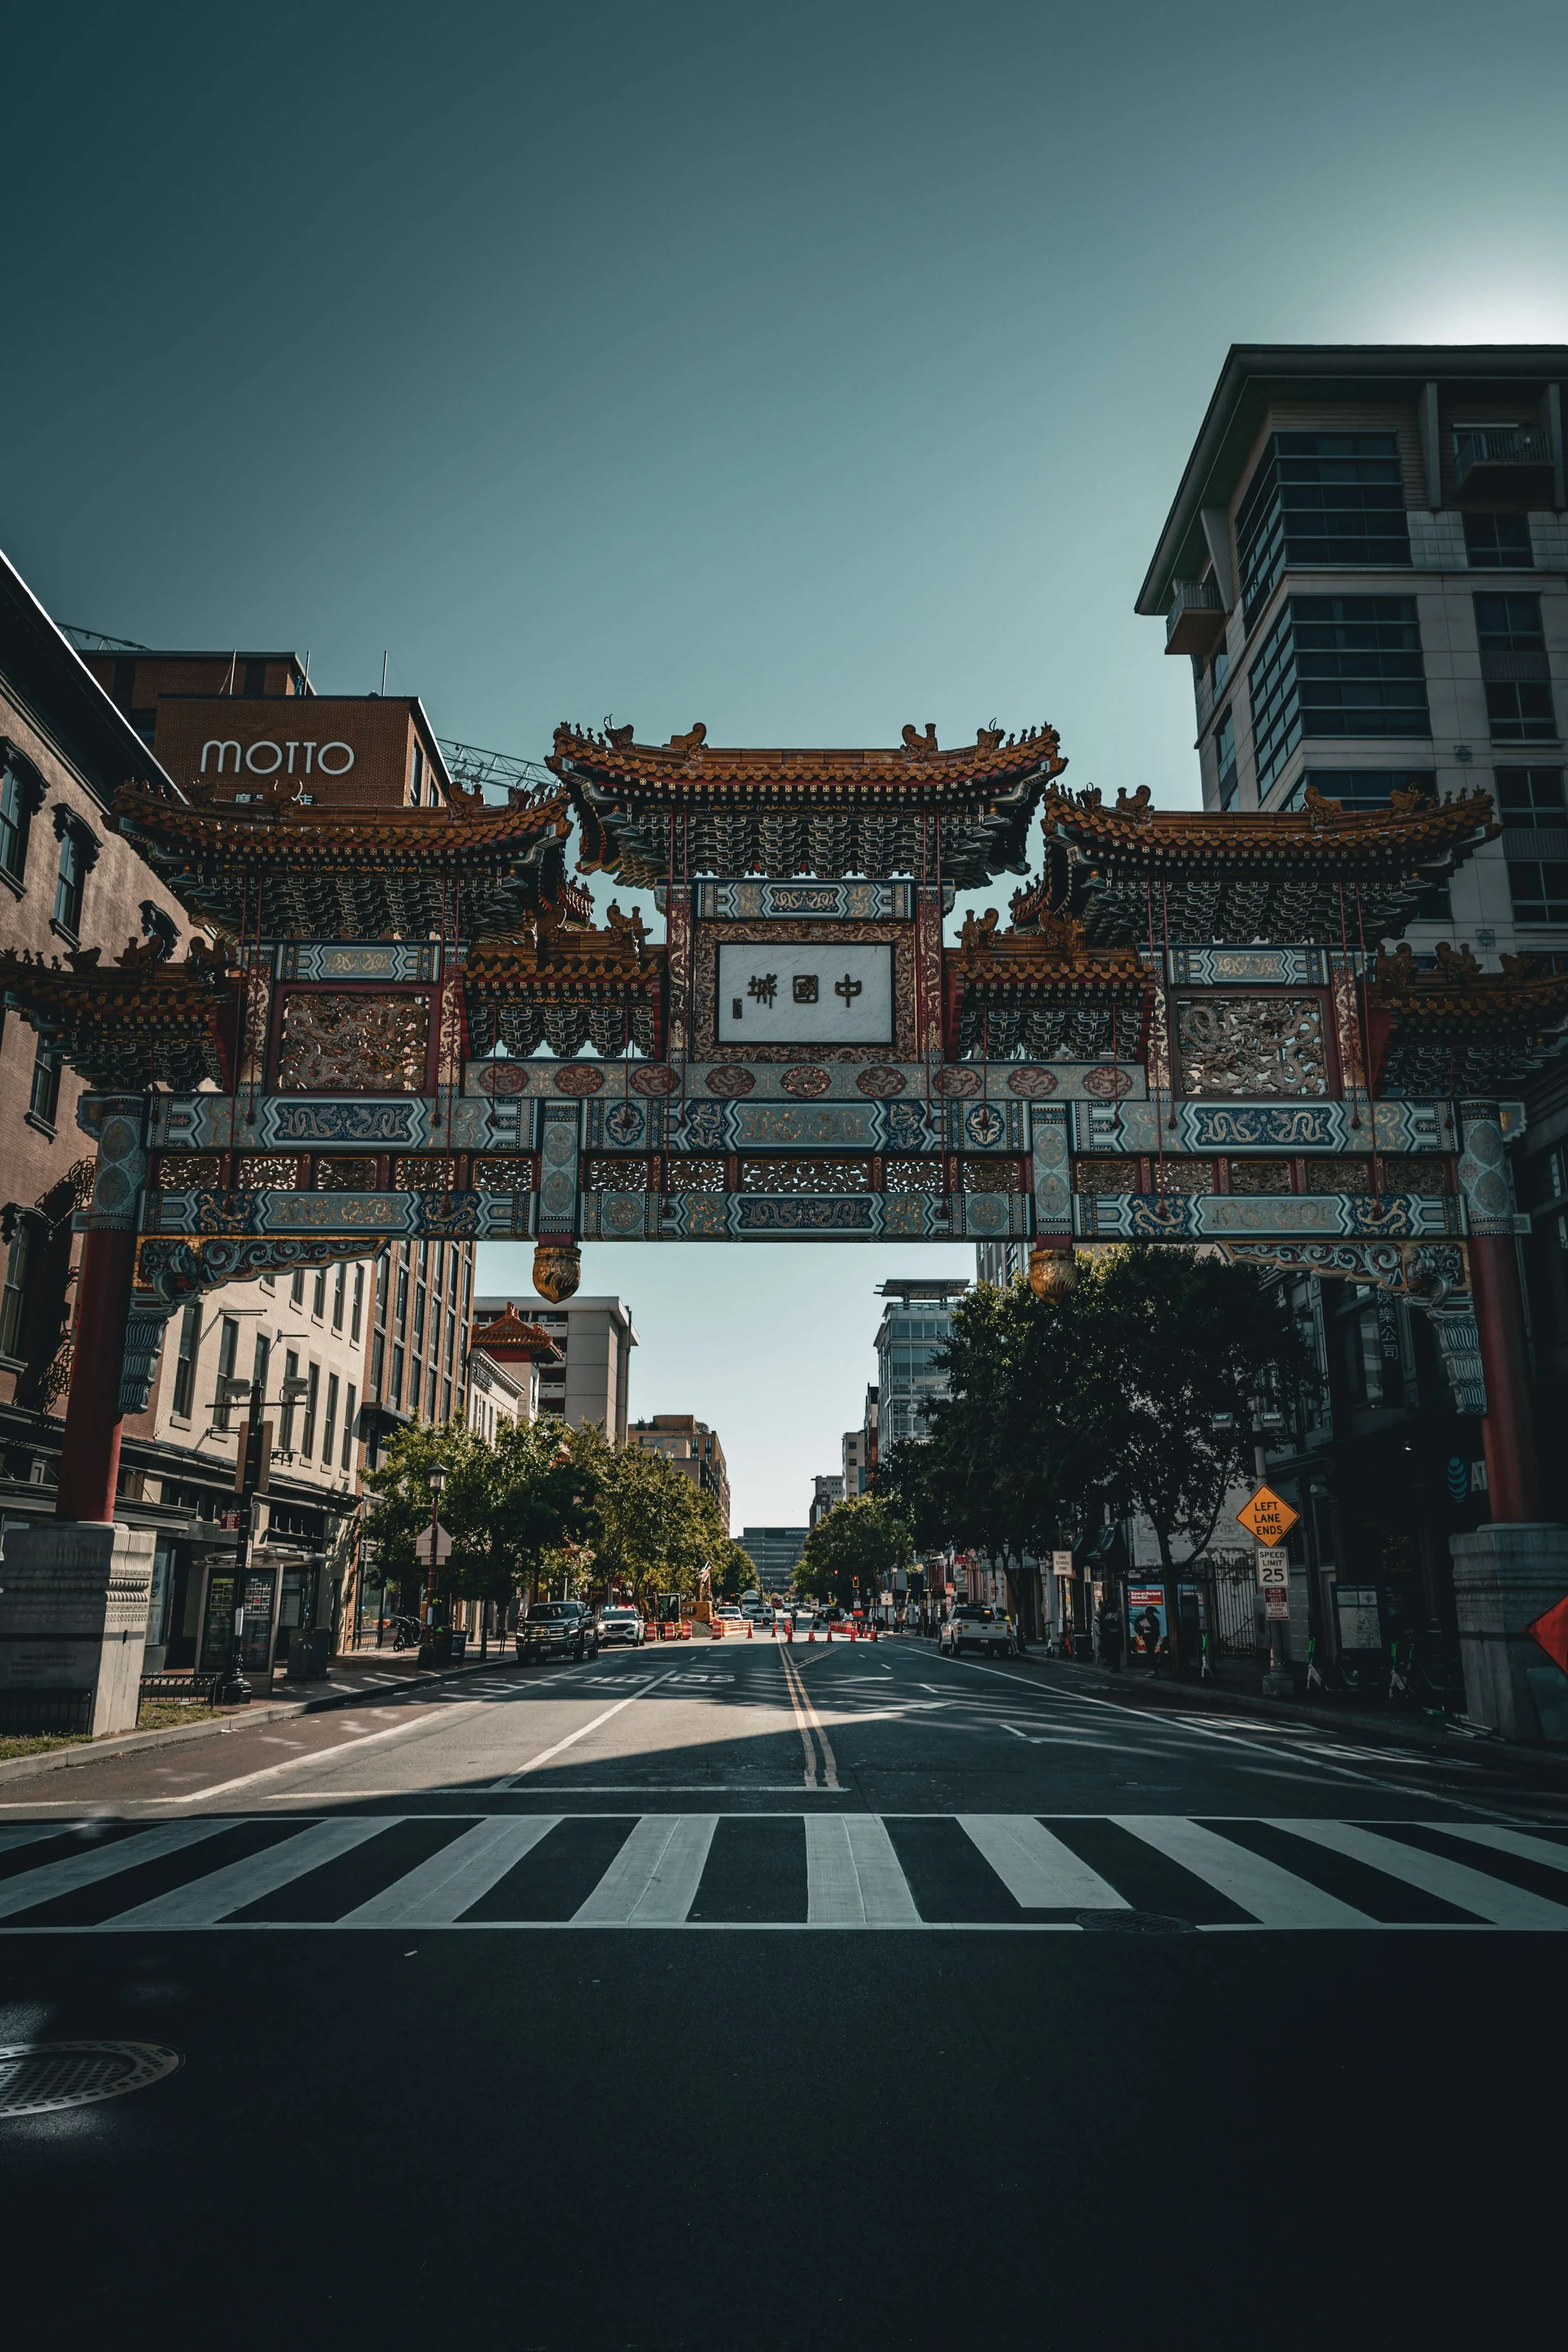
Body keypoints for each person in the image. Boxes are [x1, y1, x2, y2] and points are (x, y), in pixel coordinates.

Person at [1099, 1607, 1123, 1673]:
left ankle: (1116, 1666)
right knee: (1111, 1651)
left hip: (1116, 1634)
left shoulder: (1117, 1615)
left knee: (1115, 1651)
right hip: (1110, 1634)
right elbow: (1105, 1622)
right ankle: (1111, 1663)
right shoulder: (1109, 1614)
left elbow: (1116, 1623)